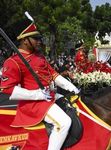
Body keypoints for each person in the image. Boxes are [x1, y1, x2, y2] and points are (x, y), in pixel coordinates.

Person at [0, 16, 79, 150]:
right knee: (64, 123)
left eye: (39, 38)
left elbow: (53, 75)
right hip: (33, 104)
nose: (39, 41)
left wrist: (73, 88)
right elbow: (7, 89)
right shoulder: (12, 62)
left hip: (49, 97)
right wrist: (36, 95)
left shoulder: (39, 56)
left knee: (75, 105)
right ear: (24, 40)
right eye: (35, 38)